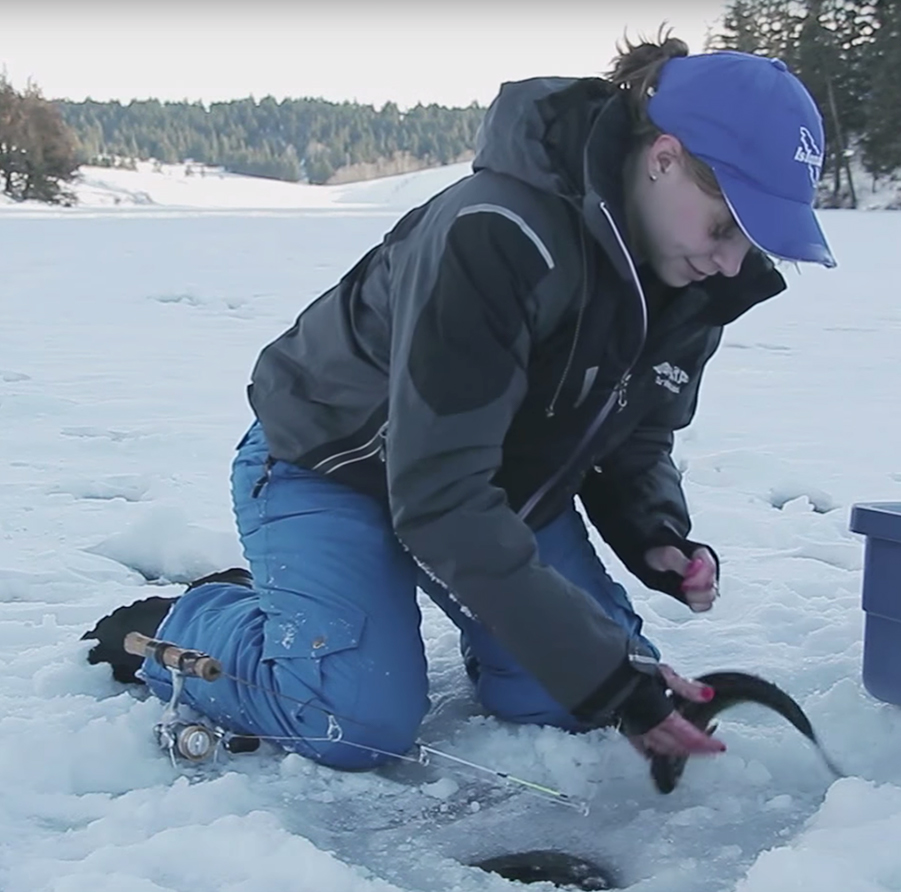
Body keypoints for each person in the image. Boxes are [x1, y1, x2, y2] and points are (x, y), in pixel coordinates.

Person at [85, 32, 836, 772]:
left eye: (754, 239)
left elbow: (634, 437)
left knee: (574, 694)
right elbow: (439, 497)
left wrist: (656, 534)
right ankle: (194, 621)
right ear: (664, 158)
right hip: (327, 465)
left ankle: (370, 616)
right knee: (354, 719)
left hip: (488, 489)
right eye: (726, 225)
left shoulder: (686, 279)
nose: (732, 260)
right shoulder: (499, 232)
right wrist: (611, 675)